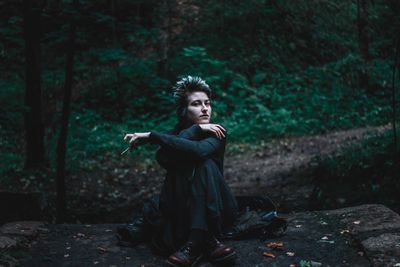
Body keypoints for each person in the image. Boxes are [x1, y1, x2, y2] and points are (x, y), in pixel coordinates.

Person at [123, 76, 239, 267]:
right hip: (182, 207)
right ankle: (208, 241)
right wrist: (196, 129)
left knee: (204, 164)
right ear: (184, 111)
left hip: (217, 205)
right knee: (182, 163)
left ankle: (194, 243)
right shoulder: (177, 134)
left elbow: (200, 150)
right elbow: (163, 158)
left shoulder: (217, 131)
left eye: (207, 103)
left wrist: (152, 135)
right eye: (196, 104)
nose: (205, 109)